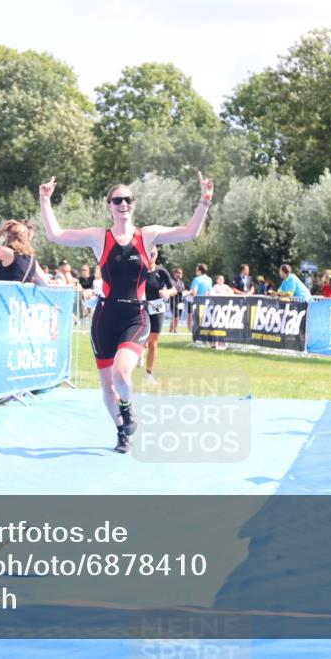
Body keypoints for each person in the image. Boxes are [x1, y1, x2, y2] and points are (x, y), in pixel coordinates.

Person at [40, 172, 214, 454]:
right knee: (107, 387)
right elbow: (55, 235)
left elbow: (189, 232)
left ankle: (127, 408)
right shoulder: (99, 237)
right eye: (117, 200)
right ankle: (122, 430)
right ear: (108, 205)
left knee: (122, 374)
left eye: (128, 200)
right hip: (104, 319)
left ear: (134, 204)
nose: (123, 204)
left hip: (136, 316)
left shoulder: (148, 235)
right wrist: (45, 199)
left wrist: (205, 201)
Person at [143, 247, 175, 384]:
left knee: (153, 343)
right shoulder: (139, 270)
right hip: (141, 305)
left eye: (153, 254)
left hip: (157, 305)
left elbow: (174, 288)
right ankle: (138, 355)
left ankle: (148, 373)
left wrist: (168, 293)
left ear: (156, 255)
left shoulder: (161, 272)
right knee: (140, 339)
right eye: (148, 253)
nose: (150, 256)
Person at [0, 220, 51, 284]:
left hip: (0, 293)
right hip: (18, 294)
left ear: (8, 237)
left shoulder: (6, 252)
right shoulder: (31, 259)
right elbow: (45, 283)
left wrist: (1, 230)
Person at [186, 263, 213, 331]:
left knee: (195, 321)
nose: (196, 271)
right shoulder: (209, 279)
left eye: (196, 270)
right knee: (203, 321)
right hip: (206, 303)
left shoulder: (197, 279)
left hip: (197, 302)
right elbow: (210, 292)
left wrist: (187, 293)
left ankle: (195, 336)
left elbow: (194, 292)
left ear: (200, 270)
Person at [169, 266, 186, 333]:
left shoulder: (181, 283)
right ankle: (170, 331)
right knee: (175, 316)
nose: (180, 274)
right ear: (175, 274)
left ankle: (175, 329)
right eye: (178, 273)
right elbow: (174, 290)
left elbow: (182, 290)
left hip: (181, 302)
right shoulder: (171, 281)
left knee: (179, 317)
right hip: (173, 301)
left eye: (181, 273)